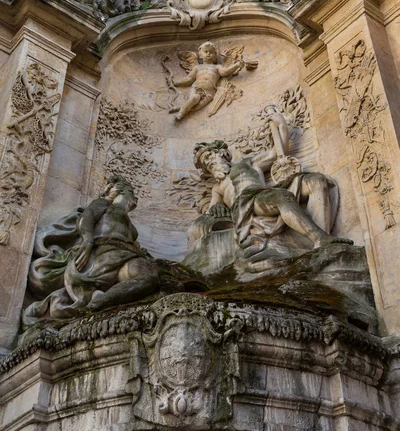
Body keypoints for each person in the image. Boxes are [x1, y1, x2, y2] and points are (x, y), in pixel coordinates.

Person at [23, 175, 160, 327]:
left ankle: (102, 300)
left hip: (125, 254)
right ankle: (99, 302)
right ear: (120, 191)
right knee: (150, 275)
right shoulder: (104, 205)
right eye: (131, 192)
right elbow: (86, 217)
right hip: (103, 253)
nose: (135, 198)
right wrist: (87, 240)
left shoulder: (131, 227)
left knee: (151, 276)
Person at [192, 139, 351, 263]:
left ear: (221, 153)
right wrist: (216, 207)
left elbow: (276, 153)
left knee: (316, 180)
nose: (208, 163)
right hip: (244, 207)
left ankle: (321, 241)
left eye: (208, 157)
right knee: (281, 196)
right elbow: (212, 208)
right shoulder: (217, 188)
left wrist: (280, 124)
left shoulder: (247, 164)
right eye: (205, 164)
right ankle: (319, 238)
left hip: (258, 194)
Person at [172, 41, 243, 121]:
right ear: (201, 54)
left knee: (196, 107)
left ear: (215, 55)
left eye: (211, 52)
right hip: (196, 88)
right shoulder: (198, 67)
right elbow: (189, 79)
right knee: (194, 99)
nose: (209, 54)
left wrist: (236, 65)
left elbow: (225, 72)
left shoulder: (217, 67)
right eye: (206, 51)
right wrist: (176, 83)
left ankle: (181, 108)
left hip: (209, 92)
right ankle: (180, 114)